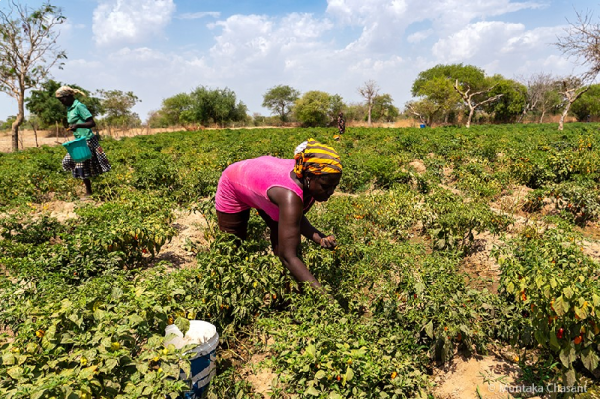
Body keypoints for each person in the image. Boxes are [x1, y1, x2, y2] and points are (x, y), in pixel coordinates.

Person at [215, 139, 342, 290]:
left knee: (285, 243)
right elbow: (288, 257)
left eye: (335, 186)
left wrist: (319, 237)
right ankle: (227, 288)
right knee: (232, 245)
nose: (331, 192)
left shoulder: (311, 178)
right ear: (308, 178)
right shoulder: (290, 196)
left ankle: (283, 291)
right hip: (235, 181)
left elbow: (296, 220)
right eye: (326, 186)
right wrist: (326, 301)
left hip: (265, 183)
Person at [55, 86, 111, 200]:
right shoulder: (70, 108)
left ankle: (90, 192)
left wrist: (78, 125)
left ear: (68, 96)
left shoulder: (79, 106)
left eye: (62, 99)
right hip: (79, 140)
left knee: (80, 164)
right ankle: (90, 191)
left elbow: (91, 123)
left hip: (87, 140)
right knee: (80, 164)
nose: (61, 102)